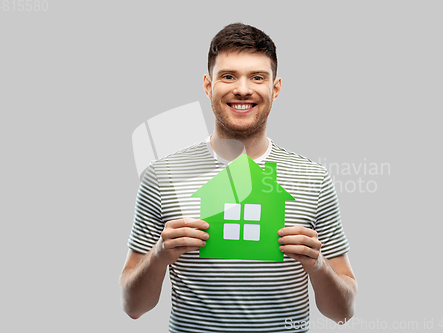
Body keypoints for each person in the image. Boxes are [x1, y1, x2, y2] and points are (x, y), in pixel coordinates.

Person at [120, 23, 357, 332]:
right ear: (208, 85)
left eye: (257, 77)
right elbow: (132, 308)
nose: (243, 89)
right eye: (228, 76)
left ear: (276, 88)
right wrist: (159, 256)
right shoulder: (162, 176)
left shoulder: (312, 178)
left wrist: (318, 265)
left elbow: (344, 312)